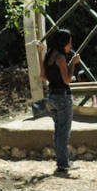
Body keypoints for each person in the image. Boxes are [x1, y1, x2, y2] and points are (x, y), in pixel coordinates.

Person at [39, 28, 80, 175]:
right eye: (69, 42)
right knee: (64, 133)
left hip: (51, 97)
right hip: (63, 97)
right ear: (63, 42)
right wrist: (74, 63)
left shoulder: (49, 55)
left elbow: (43, 76)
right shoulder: (61, 58)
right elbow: (67, 80)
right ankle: (63, 164)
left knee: (58, 131)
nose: (70, 45)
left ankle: (61, 161)